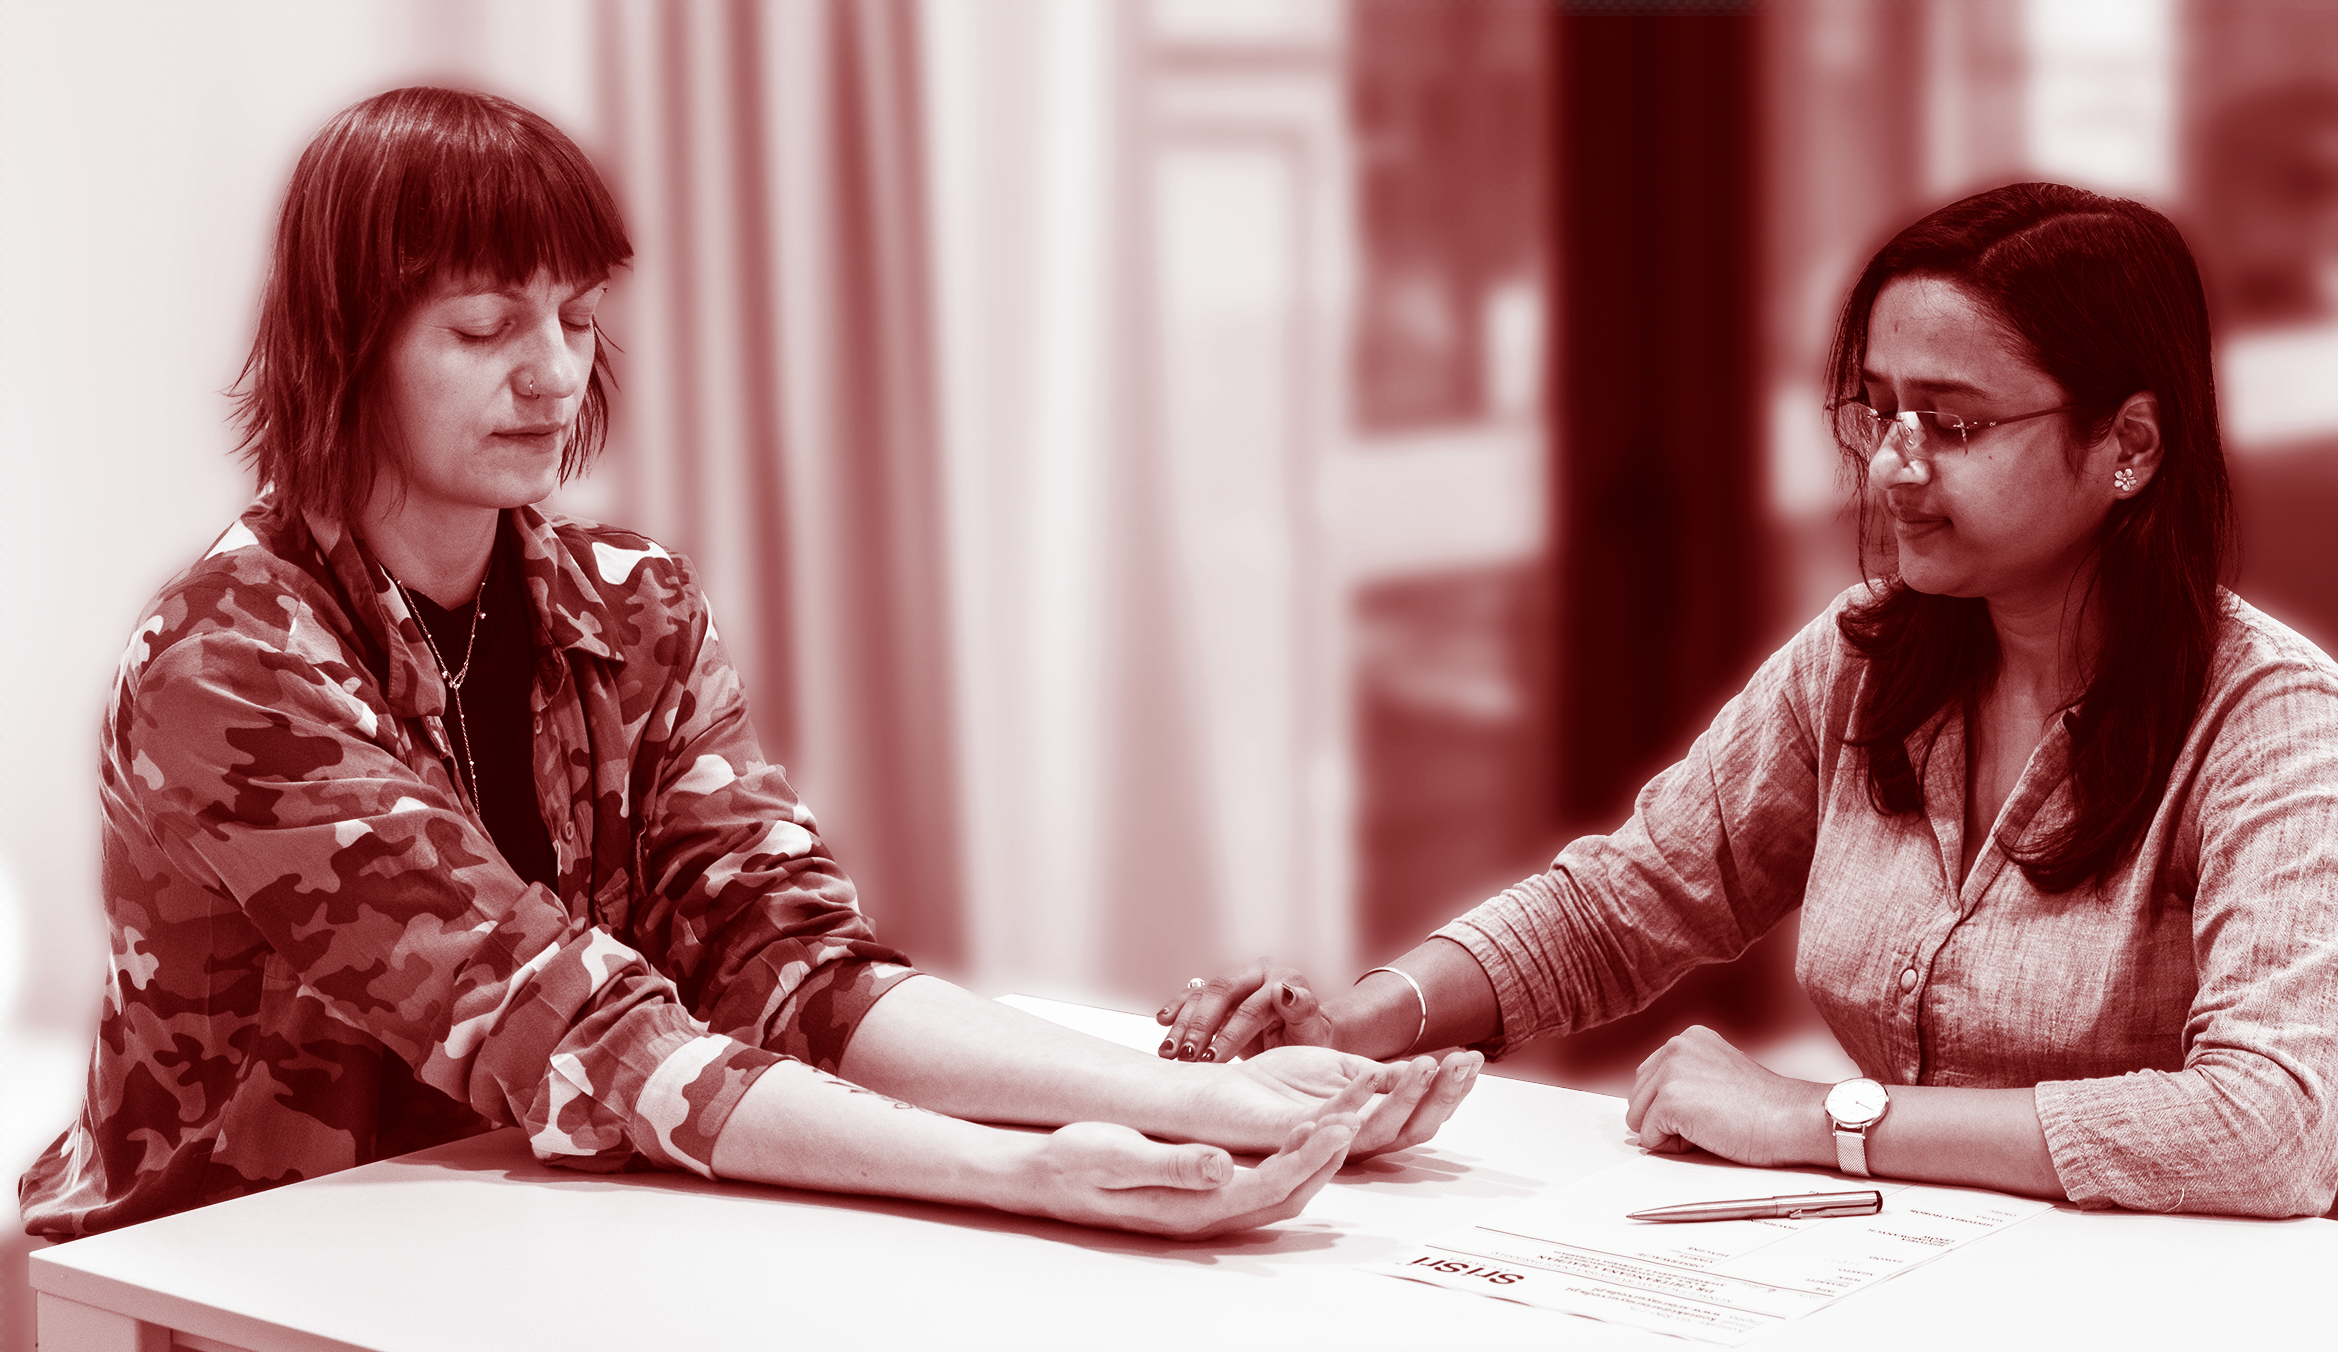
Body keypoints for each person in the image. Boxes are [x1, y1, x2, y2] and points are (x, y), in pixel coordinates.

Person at [18, 86, 1481, 1244]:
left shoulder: (630, 602)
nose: (553, 372)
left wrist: (1194, 1100)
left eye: (576, 317)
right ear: (346, 344)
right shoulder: (230, 657)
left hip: (524, 1234)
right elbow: (566, 1025)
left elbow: (788, 963)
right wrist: (1033, 1176)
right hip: (221, 1270)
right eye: (483, 325)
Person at [1158, 182, 2338, 1227]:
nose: (1895, 467)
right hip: (1929, 1257)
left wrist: (1817, 1117)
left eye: (1955, 424)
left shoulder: (2275, 719)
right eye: (1881, 409)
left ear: (2129, 446)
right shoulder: (1863, 659)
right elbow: (1621, 902)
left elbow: (2265, 1127)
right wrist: (1360, 1021)